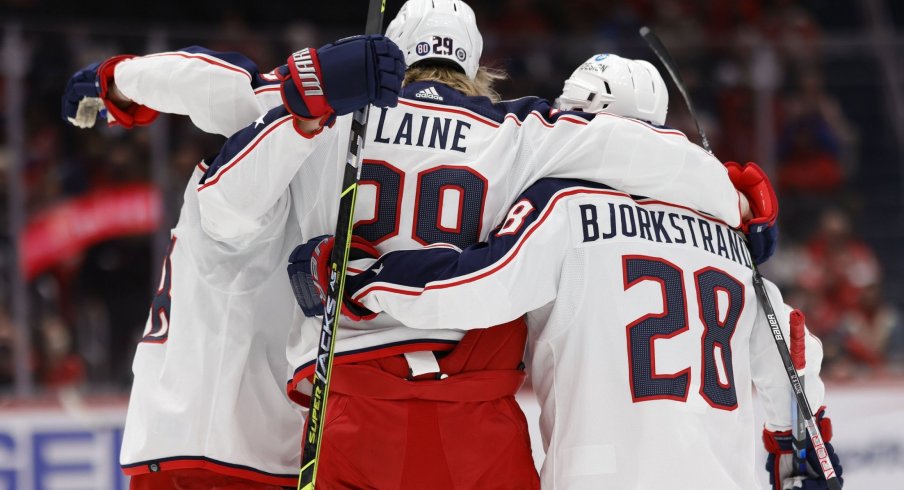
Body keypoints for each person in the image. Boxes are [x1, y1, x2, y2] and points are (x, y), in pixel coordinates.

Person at [195, 0, 768, 486]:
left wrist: (306, 95)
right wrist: (734, 199)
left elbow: (225, 202)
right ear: (473, 62)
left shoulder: (333, 121)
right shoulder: (519, 131)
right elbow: (634, 145)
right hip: (478, 411)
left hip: (349, 402)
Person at [296, 170, 843, 489]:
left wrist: (366, 279)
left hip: (597, 476)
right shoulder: (729, 237)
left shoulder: (565, 208)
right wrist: (801, 448)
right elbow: (791, 347)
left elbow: (475, 288)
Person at [62, 36, 405, 488]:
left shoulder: (284, 170)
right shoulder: (257, 184)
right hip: (226, 455)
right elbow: (222, 88)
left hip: (214, 451)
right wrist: (118, 83)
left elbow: (216, 83)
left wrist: (118, 82)